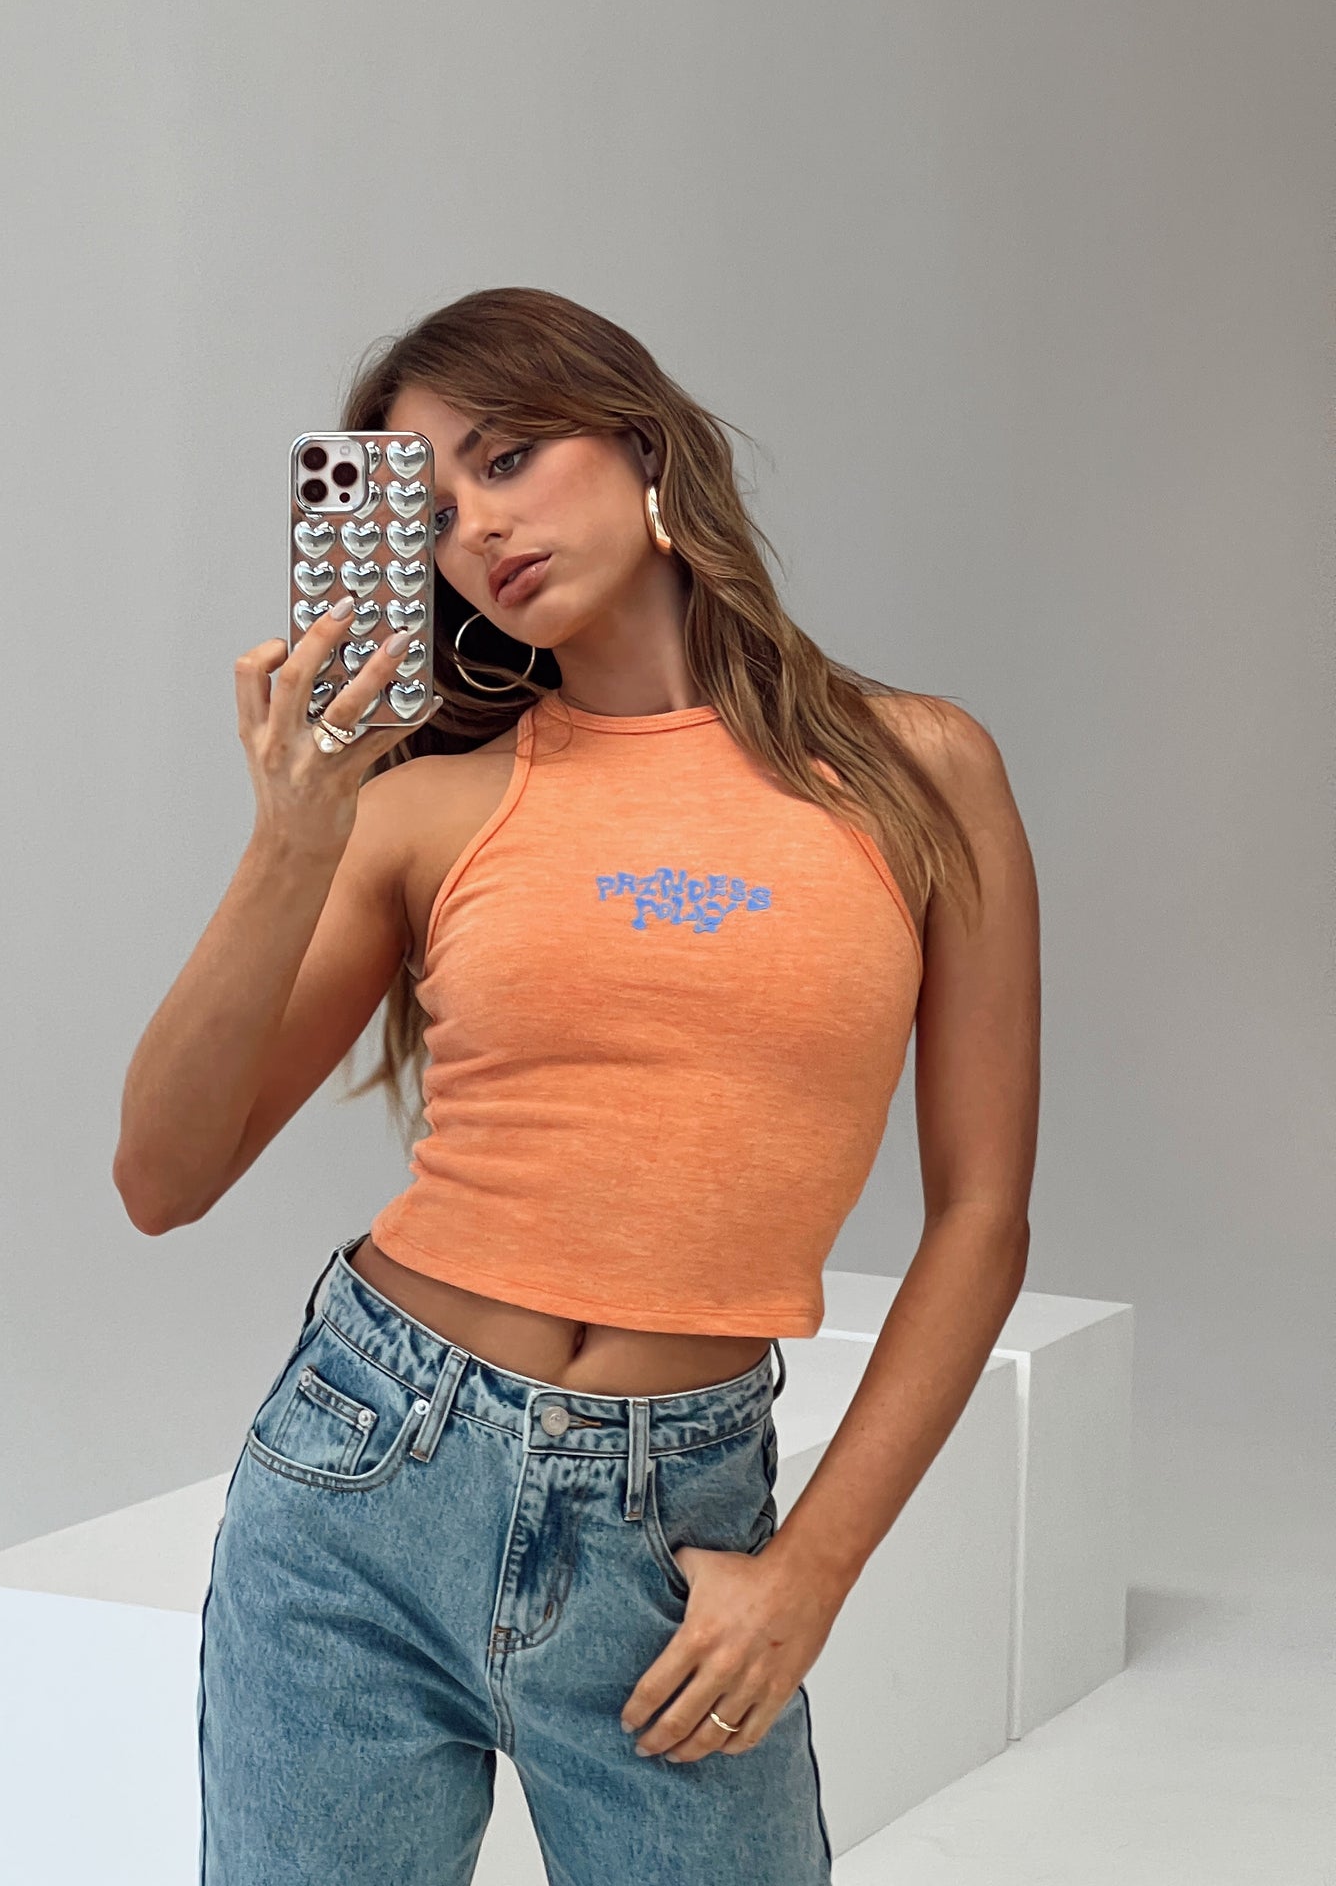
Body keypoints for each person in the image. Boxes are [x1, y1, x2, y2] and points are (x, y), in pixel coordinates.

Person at [114, 286, 1040, 1884]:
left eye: (508, 456)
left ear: (644, 446)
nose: (478, 526)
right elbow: (161, 1176)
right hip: (364, 1481)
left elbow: (982, 1214)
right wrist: (289, 841)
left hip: (672, 1526)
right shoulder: (428, 811)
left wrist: (813, 1571)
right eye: (433, 508)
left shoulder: (922, 772)